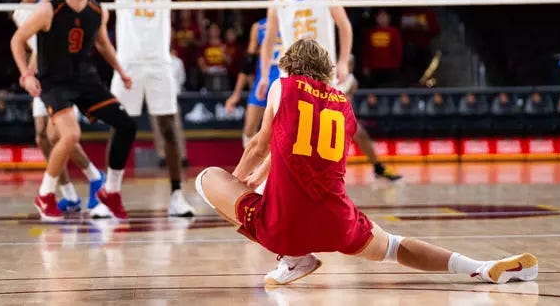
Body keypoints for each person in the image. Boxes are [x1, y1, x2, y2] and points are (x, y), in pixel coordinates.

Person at [196, 39, 538, 285]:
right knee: (393, 246)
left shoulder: (282, 86)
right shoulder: (343, 103)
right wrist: (264, 174)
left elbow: (259, 144)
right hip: (336, 220)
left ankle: (295, 257)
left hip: (284, 225)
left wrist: (240, 183)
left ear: (288, 66)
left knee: (207, 179)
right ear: (325, 71)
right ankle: (479, 267)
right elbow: (298, 145)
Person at [255, 0, 400, 181]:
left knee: (347, 125)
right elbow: (268, 40)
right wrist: (264, 76)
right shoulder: (278, 3)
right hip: (293, 75)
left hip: (327, 74)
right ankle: (272, 179)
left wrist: (343, 62)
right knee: (284, 128)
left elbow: (345, 27)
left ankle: (377, 166)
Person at [81, 0, 201, 217]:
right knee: (121, 129)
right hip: (129, 66)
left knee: (169, 129)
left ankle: (176, 195)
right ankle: (111, 193)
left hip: (160, 64)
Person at [10, 0, 136, 221]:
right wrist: (25, 75)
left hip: (85, 81)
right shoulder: (47, 10)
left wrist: (121, 72)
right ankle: (46, 195)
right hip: (54, 83)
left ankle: (110, 191)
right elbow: (17, 40)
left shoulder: (97, 10)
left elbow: (102, 44)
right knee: (68, 135)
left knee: (126, 125)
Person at [225, 0, 282, 148]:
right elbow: (247, 63)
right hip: (263, 82)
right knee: (249, 129)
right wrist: (236, 94)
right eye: (272, 3)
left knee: (280, 131)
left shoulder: (294, 26)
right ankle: (252, 169)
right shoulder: (258, 27)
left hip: (284, 82)